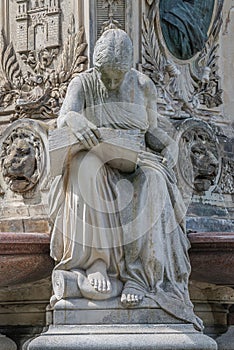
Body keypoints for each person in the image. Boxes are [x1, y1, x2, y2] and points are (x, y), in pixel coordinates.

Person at [49, 28, 202, 330]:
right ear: (96, 68)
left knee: (155, 180)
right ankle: (96, 264)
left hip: (136, 156)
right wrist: (74, 119)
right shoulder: (83, 83)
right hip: (97, 153)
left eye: (118, 75)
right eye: (107, 75)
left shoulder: (143, 85)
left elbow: (151, 130)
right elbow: (64, 117)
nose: (112, 82)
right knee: (82, 166)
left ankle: (139, 278)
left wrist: (169, 145)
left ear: (129, 67)